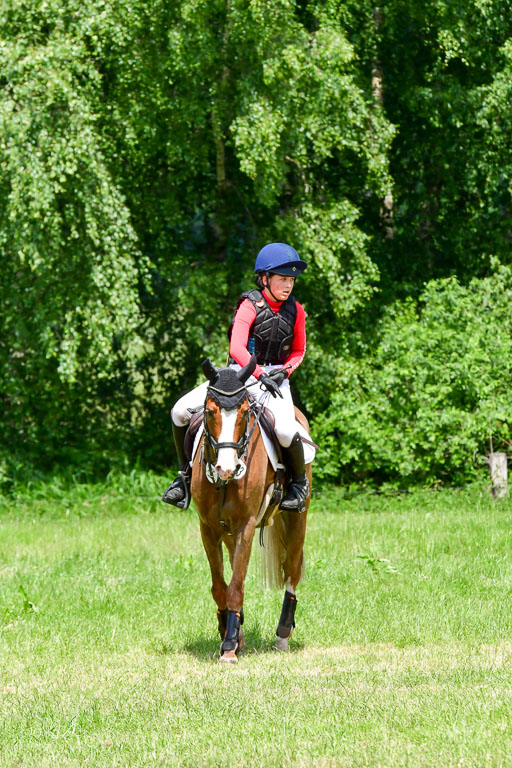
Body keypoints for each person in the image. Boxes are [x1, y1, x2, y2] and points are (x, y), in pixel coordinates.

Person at [161, 242, 309, 511]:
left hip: (277, 380)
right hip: (240, 375)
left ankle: (299, 485)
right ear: (264, 278)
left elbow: (299, 351)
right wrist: (259, 374)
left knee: (287, 430)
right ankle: (183, 477)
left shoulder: (296, 310)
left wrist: (283, 372)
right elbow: (236, 348)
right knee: (179, 411)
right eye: (282, 279)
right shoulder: (249, 305)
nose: (288, 285)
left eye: (291, 280)